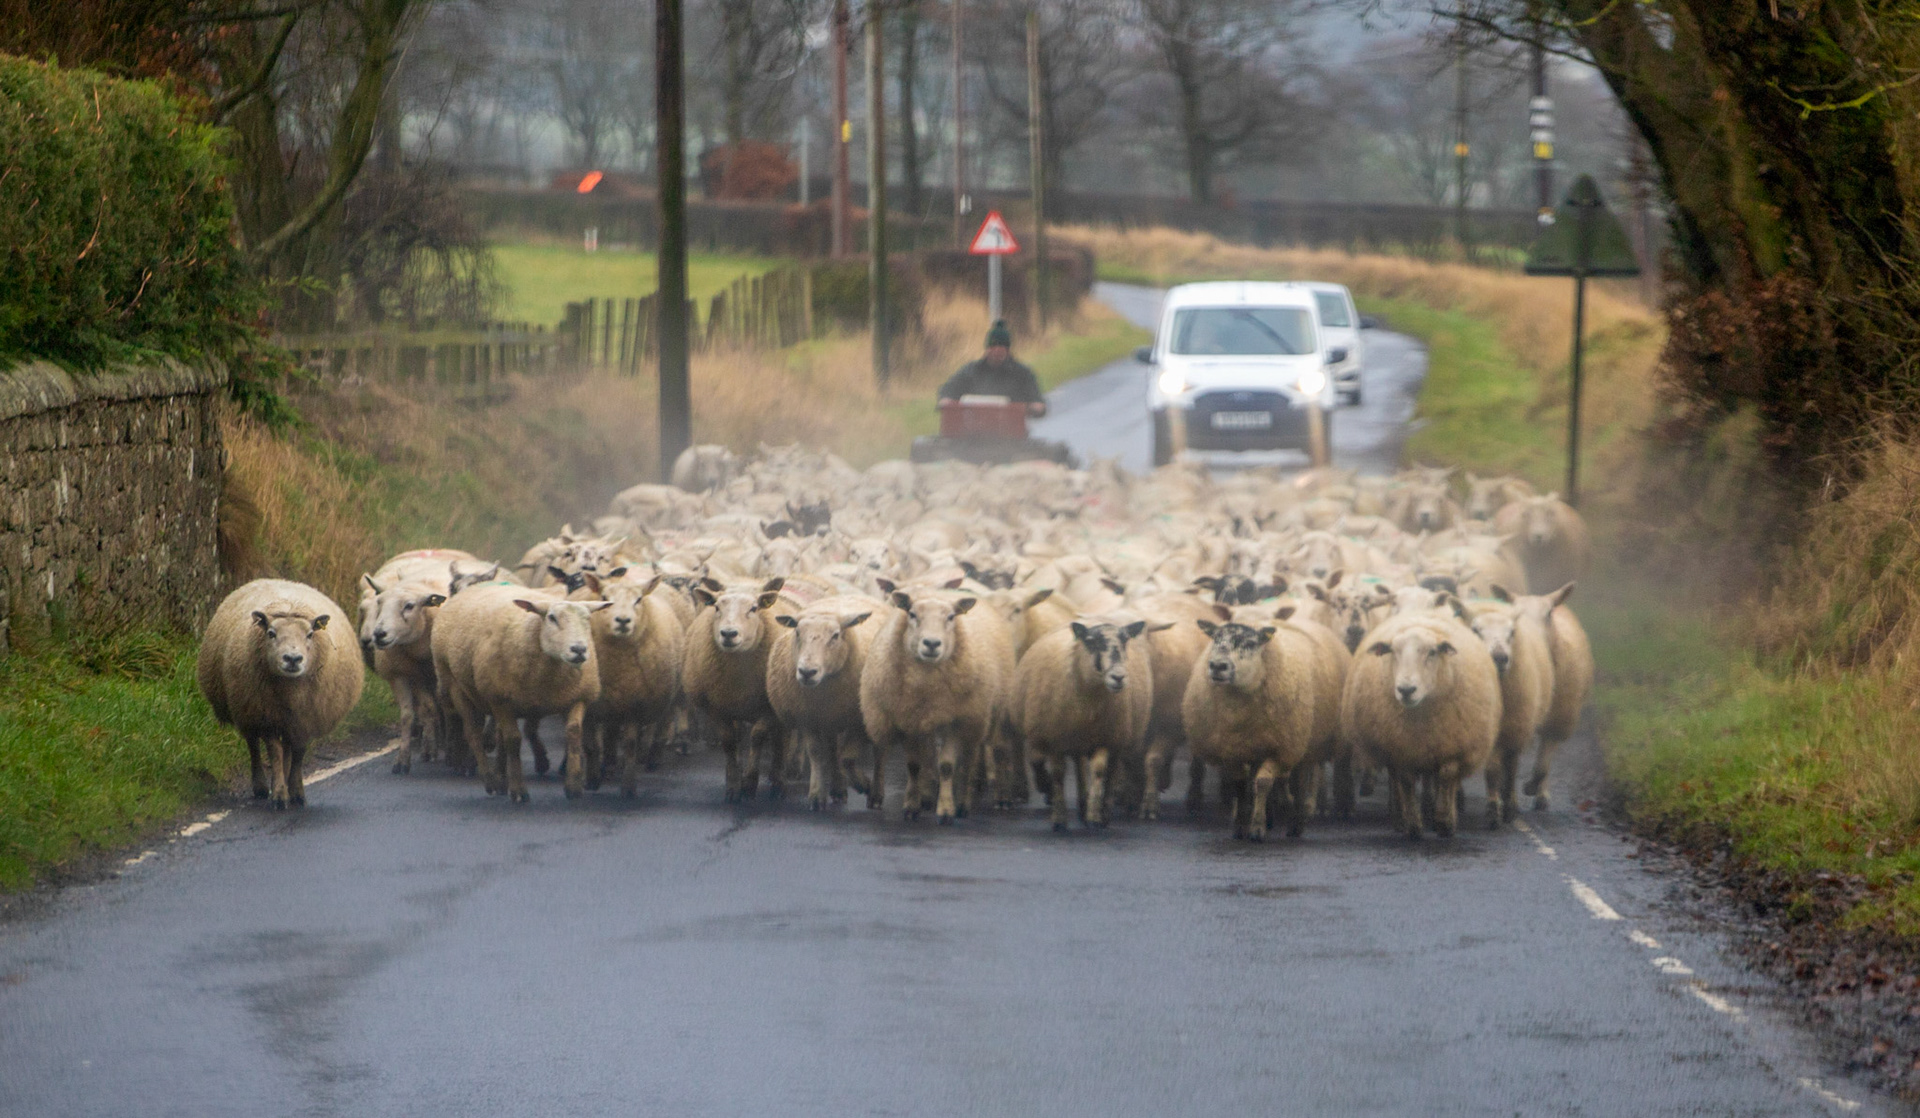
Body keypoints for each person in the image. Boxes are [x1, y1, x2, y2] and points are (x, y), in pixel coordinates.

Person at [937, 320, 1047, 417]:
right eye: (993, 346)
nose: (997, 351)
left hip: (1012, 428)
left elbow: (1036, 398)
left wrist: (1036, 406)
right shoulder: (971, 371)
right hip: (973, 428)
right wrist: (946, 400)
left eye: (1001, 347)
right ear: (987, 348)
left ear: (1008, 350)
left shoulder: (1022, 373)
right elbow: (949, 389)